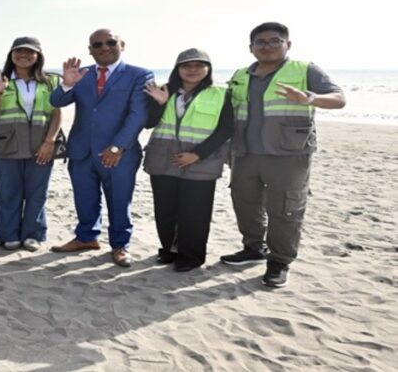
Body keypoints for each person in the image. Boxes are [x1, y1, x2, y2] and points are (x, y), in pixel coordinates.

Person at [220, 22, 345, 288]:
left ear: (288, 44)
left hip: (289, 154)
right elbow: (229, 111)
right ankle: (253, 248)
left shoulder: (305, 70)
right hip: (244, 152)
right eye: (261, 42)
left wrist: (309, 98)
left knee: (285, 208)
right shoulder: (241, 74)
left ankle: (279, 261)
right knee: (245, 204)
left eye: (275, 41)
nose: (267, 46)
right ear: (251, 47)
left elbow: (339, 99)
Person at [49, 28, 154, 267]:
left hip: (119, 153)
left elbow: (138, 115)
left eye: (111, 42)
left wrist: (118, 147)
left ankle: (120, 245)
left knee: (119, 201)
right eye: (97, 44)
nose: (104, 47)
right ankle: (86, 238)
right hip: (81, 151)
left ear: (122, 45)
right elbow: (57, 101)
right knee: (84, 198)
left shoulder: (139, 75)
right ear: (90, 50)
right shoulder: (82, 74)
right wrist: (67, 84)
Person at [142, 48, 234, 272]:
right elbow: (148, 123)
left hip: (201, 161)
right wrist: (159, 103)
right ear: (178, 69)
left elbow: (226, 129)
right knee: (165, 210)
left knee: (195, 212)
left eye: (198, 65)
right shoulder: (163, 90)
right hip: (164, 159)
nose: (192, 70)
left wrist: (197, 154)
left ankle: (191, 256)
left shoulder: (221, 93)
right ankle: (169, 249)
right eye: (186, 66)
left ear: (208, 69)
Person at [0, 37, 62, 251]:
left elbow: (56, 114)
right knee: (8, 191)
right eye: (19, 51)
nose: (24, 55)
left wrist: (49, 142)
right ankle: (7, 234)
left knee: (37, 192)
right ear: (11, 55)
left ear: (38, 56)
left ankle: (33, 234)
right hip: (7, 143)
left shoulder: (51, 81)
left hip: (41, 143)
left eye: (30, 52)